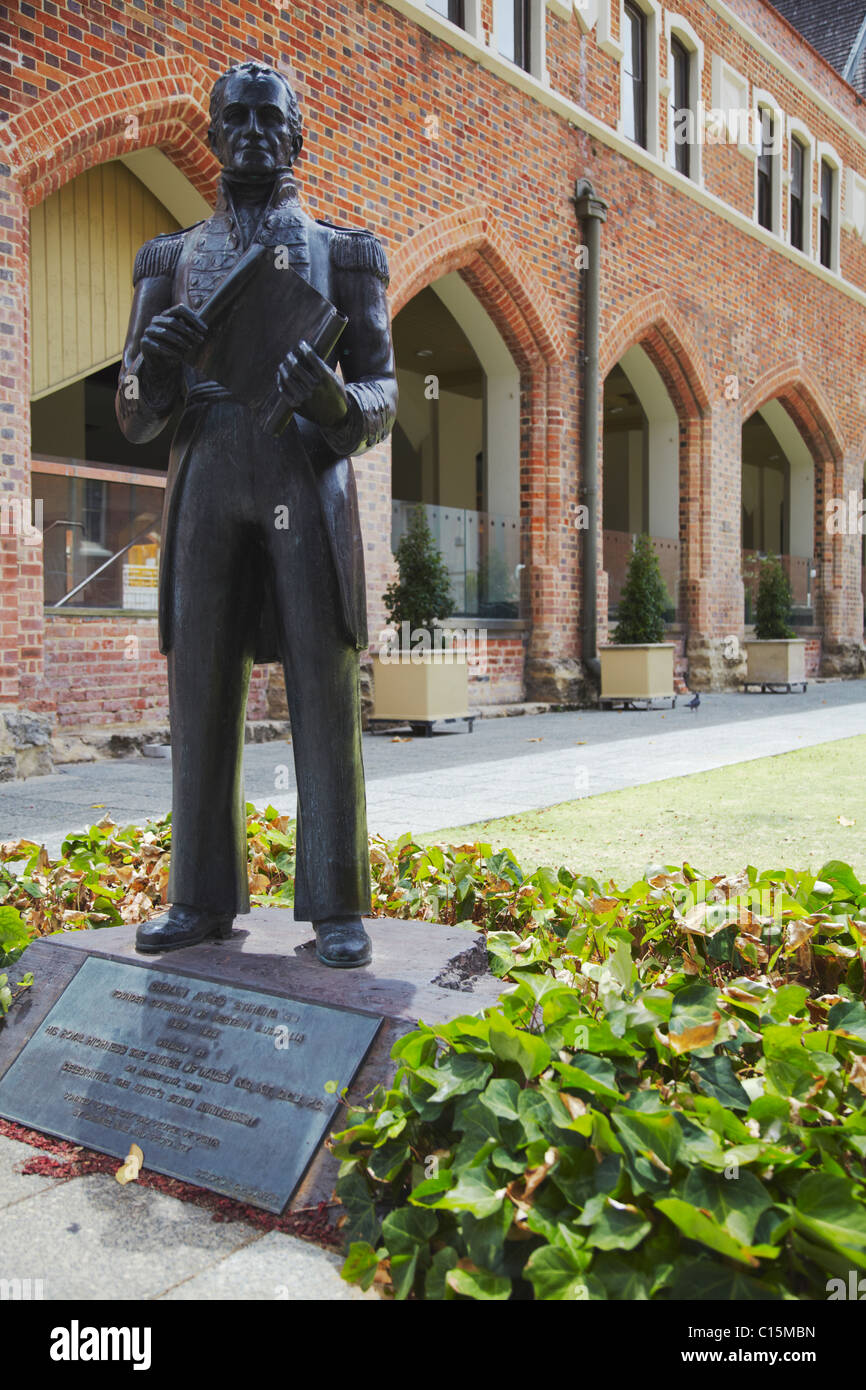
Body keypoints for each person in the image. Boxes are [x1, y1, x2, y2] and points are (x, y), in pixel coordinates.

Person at [116, 60, 397, 968]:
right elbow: (132, 410)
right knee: (199, 683)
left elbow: (386, 388)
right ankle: (198, 894)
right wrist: (154, 370)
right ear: (211, 134)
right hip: (204, 472)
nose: (251, 131)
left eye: (269, 117)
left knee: (322, 684)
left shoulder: (344, 252)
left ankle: (334, 901)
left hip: (302, 472)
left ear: (298, 134)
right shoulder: (166, 260)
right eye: (233, 116)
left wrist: (335, 401)